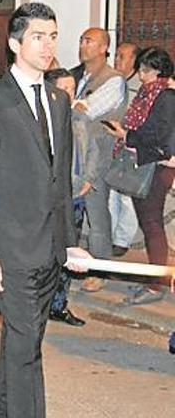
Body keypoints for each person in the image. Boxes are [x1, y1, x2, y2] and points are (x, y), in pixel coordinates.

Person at [0, 2, 91, 418]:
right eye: (38, 36)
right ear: (16, 43)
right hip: (10, 249)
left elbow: (60, 182)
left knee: (25, 341)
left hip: (48, 250)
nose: (48, 45)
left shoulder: (57, 99)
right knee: (26, 354)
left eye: (53, 36)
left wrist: (69, 243)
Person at [103, 47, 175, 305]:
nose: (141, 75)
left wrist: (126, 135)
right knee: (149, 222)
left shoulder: (165, 95)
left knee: (152, 223)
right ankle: (155, 278)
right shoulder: (150, 92)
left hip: (157, 165)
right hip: (147, 162)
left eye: (145, 70)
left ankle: (158, 284)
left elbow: (158, 133)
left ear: (157, 70)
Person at [70, 28, 127, 292]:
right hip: (76, 155)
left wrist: (75, 104)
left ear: (104, 47)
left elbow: (86, 113)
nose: (83, 45)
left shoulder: (113, 80)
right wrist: (75, 104)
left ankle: (101, 269)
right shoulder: (79, 76)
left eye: (89, 41)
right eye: (82, 40)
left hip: (97, 158)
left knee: (97, 214)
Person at [44, 68, 87, 327]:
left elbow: (90, 151)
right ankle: (40, 303)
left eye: (73, 88)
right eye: (65, 88)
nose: (71, 94)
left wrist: (89, 179)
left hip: (77, 197)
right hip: (52, 200)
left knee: (69, 255)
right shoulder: (43, 123)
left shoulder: (80, 118)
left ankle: (59, 305)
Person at [109, 42, 142, 256]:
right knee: (112, 194)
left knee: (126, 197)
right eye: (116, 55)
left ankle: (122, 240)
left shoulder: (140, 87)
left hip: (132, 149)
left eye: (122, 56)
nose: (116, 60)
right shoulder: (115, 82)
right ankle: (113, 236)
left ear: (134, 61)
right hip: (113, 147)